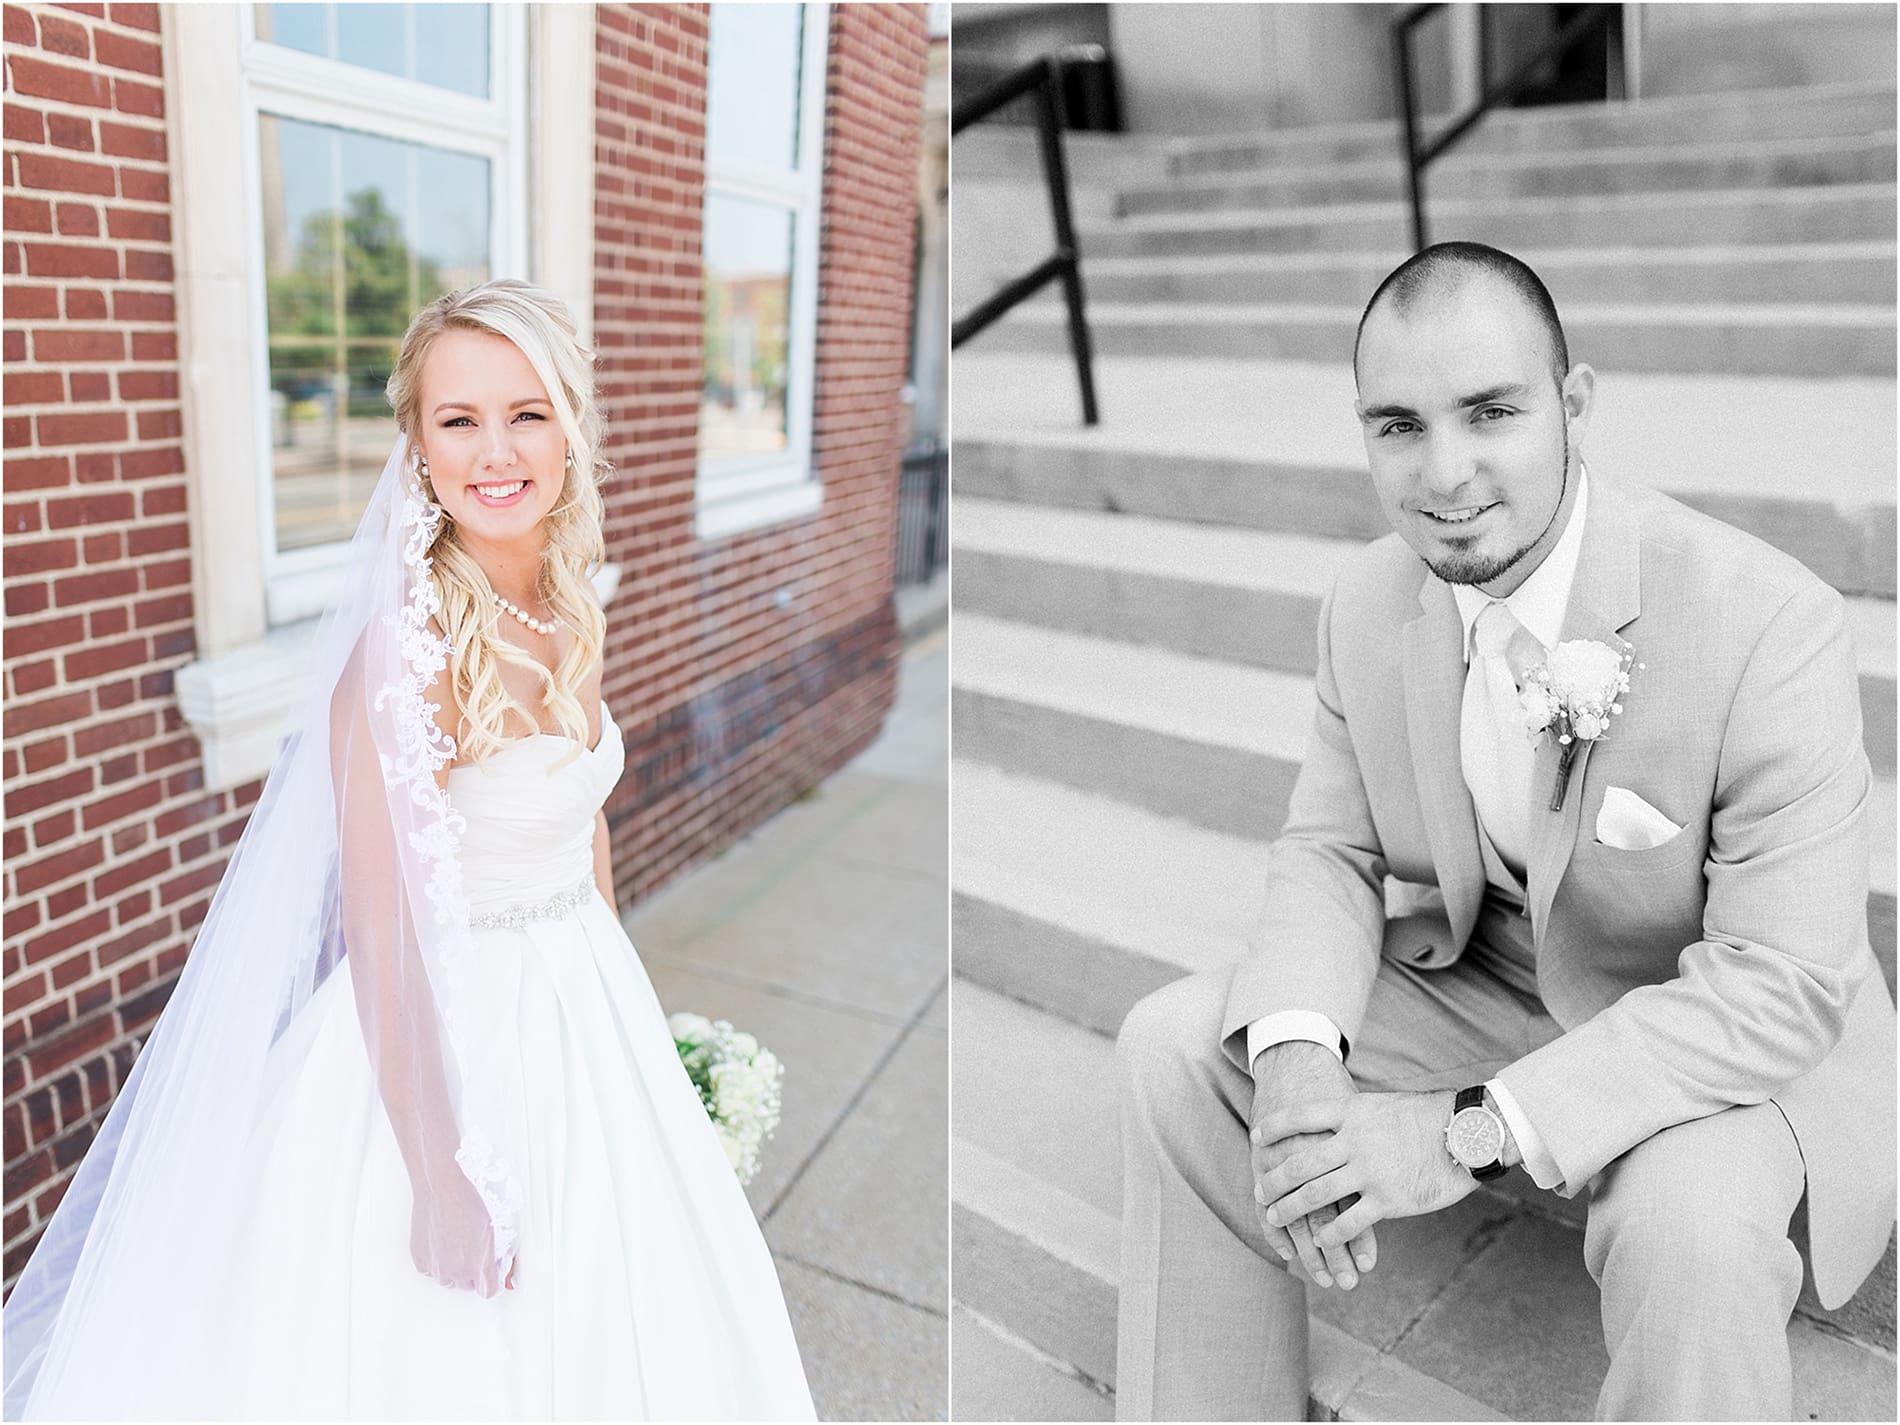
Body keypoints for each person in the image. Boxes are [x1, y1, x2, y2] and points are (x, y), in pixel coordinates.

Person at [3, 280, 816, 1420]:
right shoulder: (405, 653)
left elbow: (584, 820)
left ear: (571, 426)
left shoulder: (567, 605)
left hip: (580, 992)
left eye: (527, 413)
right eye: (459, 419)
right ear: (418, 446)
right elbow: (379, 928)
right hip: (450, 1031)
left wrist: (621, 1006)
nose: (498, 451)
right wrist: (438, 1177)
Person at [1113, 242, 1895, 1421]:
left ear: (1573, 405)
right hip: (1492, 973)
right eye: (1397, 426)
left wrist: (1460, 1135)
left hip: (1716, 1021)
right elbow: (1328, 849)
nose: (1444, 473)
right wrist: (1295, 1064)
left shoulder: (1765, 621)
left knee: (1689, 1226)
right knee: (1177, 1046)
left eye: (1490, 413)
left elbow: (1779, 985)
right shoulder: (1366, 600)